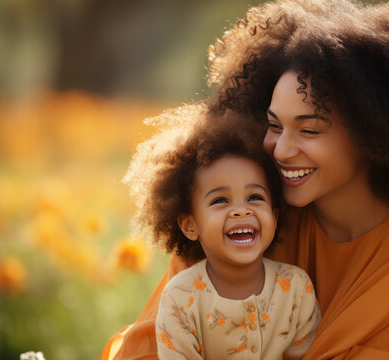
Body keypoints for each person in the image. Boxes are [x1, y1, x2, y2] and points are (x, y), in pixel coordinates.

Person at [101, 0, 389, 359]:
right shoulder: (236, 210)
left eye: (309, 131)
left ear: (374, 136)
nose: (279, 149)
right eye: (274, 125)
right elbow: (149, 348)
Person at [120, 104, 321, 359]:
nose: (240, 211)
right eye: (220, 201)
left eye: (255, 197)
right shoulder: (180, 297)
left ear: (274, 214)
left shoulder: (295, 287)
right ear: (190, 225)